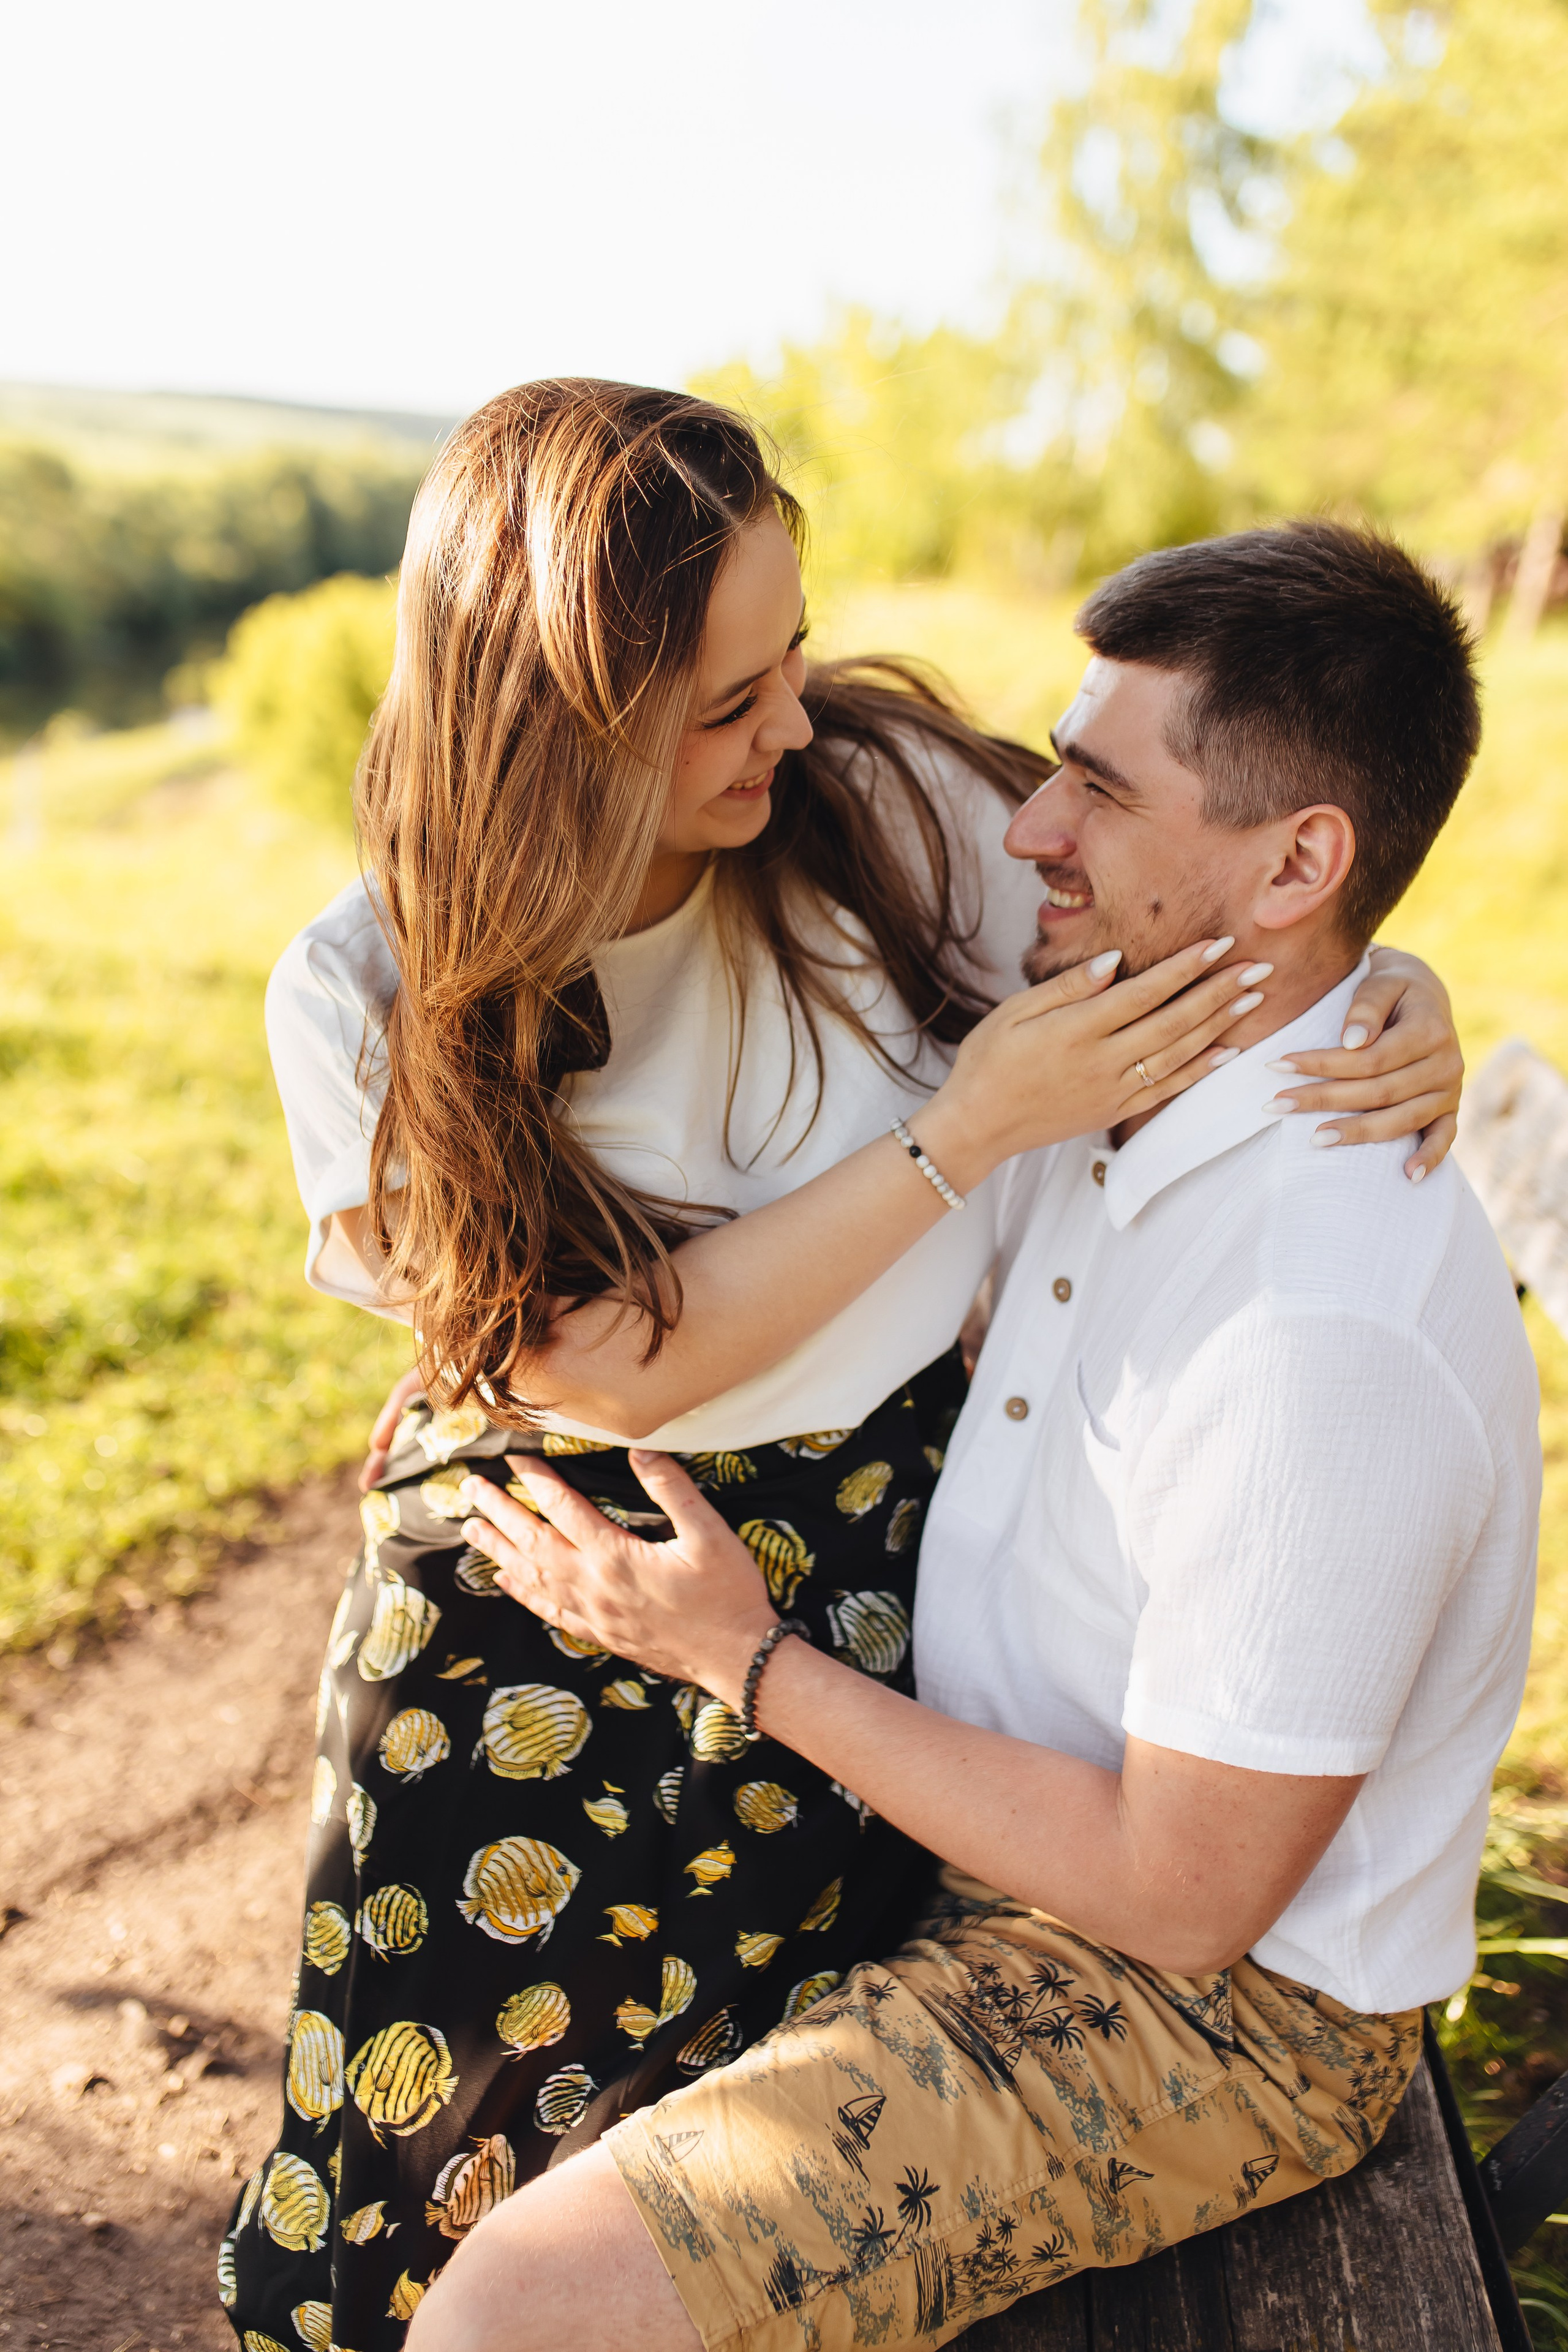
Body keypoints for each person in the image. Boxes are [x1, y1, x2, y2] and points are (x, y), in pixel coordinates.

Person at [235, 374, 1463, 2350]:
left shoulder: (877, 806)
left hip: (873, 1552)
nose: (789, 720)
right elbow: (604, 1371)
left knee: (713, 2168)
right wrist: (954, 1135)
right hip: (552, 1586)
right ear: (551, 728)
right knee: (436, 2158)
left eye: (790, 653)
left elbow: (1229, 897)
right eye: (726, 703)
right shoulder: (369, 993)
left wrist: (1406, 993)